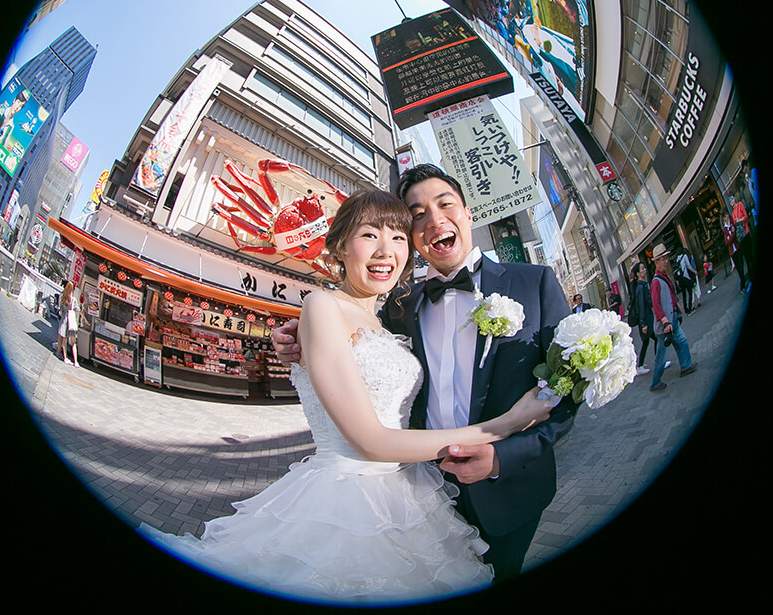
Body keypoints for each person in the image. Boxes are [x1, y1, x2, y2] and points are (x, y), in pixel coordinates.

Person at [136, 190, 555, 603]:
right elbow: (370, 440)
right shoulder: (322, 306)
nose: (385, 250)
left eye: (396, 237)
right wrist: (504, 425)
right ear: (338, 247)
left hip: (409, 496)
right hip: (345, 502)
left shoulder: (392, 316)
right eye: (369, 235)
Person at [272, 165, 577, 581]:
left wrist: (501, 455)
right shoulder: (399, 307)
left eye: (445, 204)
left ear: (468, 214)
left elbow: (565, 391)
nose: (434, 220)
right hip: (423, 493)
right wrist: (297, 336)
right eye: (417, 215)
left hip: (508, 491)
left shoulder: (535, 283)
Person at [648, 245, 697, 392]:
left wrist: (677, 306)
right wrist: (664, 321)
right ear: (656, 262)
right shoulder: (656, 282)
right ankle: (655, 383)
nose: (666, 261)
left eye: (666, 258)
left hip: (672, 320)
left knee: (681, 341)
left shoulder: (664, 276)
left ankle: (686, 366)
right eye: (662, 259)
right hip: (666, 325)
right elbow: (655, 305)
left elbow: (670, 294)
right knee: (661, 358)